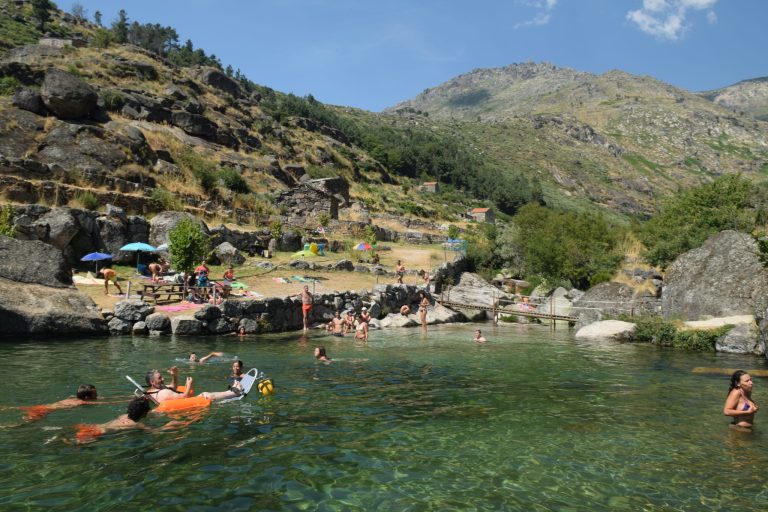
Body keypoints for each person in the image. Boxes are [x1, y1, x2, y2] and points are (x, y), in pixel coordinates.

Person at [75, 396, 151, 443]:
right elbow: (153, 431)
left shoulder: (123, 416)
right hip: (96, 434)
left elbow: (136, 407)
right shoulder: (136, 424)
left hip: (91, 427)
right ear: (144, 413)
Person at [145, 367, 242, 404]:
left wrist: (174, 375)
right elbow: (184, 397)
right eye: (160, 378)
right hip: (180, 408)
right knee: (206, 395)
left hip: (172, 402)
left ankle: (231, 391)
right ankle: (235, 392)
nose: (163, 379)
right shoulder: (163, 393)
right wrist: (189, 385)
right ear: (152, 382)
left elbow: (172, 387)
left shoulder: (154, 390)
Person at [21, 384, 100, 421]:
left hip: (41, 407)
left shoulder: (73, 398)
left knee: (26, 421)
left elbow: (96, 399)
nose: (97, 395)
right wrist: (108, 403)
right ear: (87, 398)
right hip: (43, 411)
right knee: (26, 423)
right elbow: (100, 403)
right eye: (95, 394)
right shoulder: (81, 402)